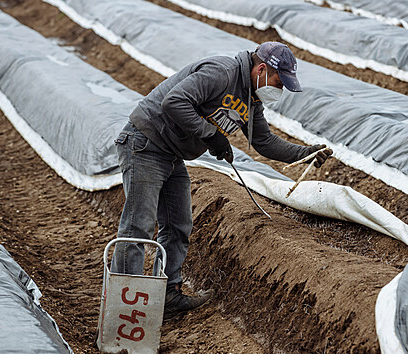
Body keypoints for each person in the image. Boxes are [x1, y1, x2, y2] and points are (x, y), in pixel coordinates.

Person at [111, 42, 333, 321]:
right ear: (262, 69)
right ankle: (124, 307)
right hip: (145, 143)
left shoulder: (252, 100)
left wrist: (305, 152)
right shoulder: (221, 72)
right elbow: (174, 101)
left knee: (178, 224)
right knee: (138, 226)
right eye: (279, 82)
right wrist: (210, 134)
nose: (279, 90)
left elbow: (263, 141)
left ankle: (167, 295)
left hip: (171, 154)